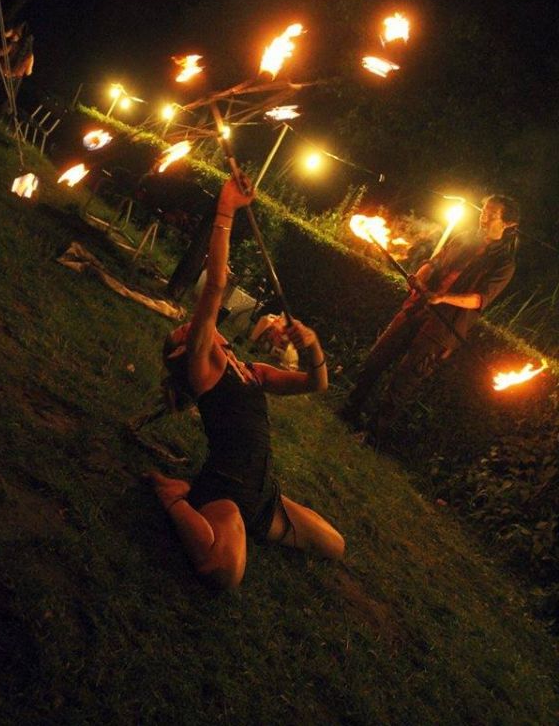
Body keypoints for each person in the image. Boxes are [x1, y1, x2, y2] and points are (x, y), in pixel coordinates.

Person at [148, 173, 344, 589]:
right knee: (223, 573)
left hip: (264, 495)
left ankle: (220, 511)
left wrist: (312, 344)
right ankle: (175, 498)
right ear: (186, 354)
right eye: (184, 333)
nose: (192, 328)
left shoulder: (252, 373)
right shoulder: (205, 371)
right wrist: (225, 208)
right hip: (225, 491)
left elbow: (316, 383)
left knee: (335, 546)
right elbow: (215, 286)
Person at [340, 195, 520, 436]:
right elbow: (434, 263)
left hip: (442, 329)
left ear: (508, 223)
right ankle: (349, 410)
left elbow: (479, 299)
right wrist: (420, 276)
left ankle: (373, 434)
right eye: (484, 210)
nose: (483, 216)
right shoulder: (464, 238)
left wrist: (442, 298)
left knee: (403, 382)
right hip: (417, 308)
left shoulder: (504, 263)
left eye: (491, 214)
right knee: (377, 358)